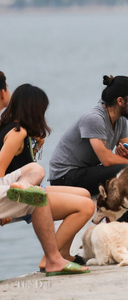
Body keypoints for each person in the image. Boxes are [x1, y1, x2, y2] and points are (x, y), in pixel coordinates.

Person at [0, 83, 95, 271]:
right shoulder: (18, 133)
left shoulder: (11, 128)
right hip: (17, 195)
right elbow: (1, 170)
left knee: (83, 193)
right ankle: (50, 257)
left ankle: (64, 252)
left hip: (25, 189)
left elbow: (17, 163)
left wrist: (35, 146)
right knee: (86, 207)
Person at [49, 75, 128, 196]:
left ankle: (124, 214)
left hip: (85, 171)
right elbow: (107, 160)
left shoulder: (120, 120)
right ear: (120, 101)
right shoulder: (94, 118)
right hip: (64, 177)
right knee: (125, 171)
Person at [1, 163, 90, 276]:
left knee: (36, 168)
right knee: (40, 196)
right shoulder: (13, 143)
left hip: (12, 183)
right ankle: (52, 259)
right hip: (7, 190)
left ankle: (24, 186)